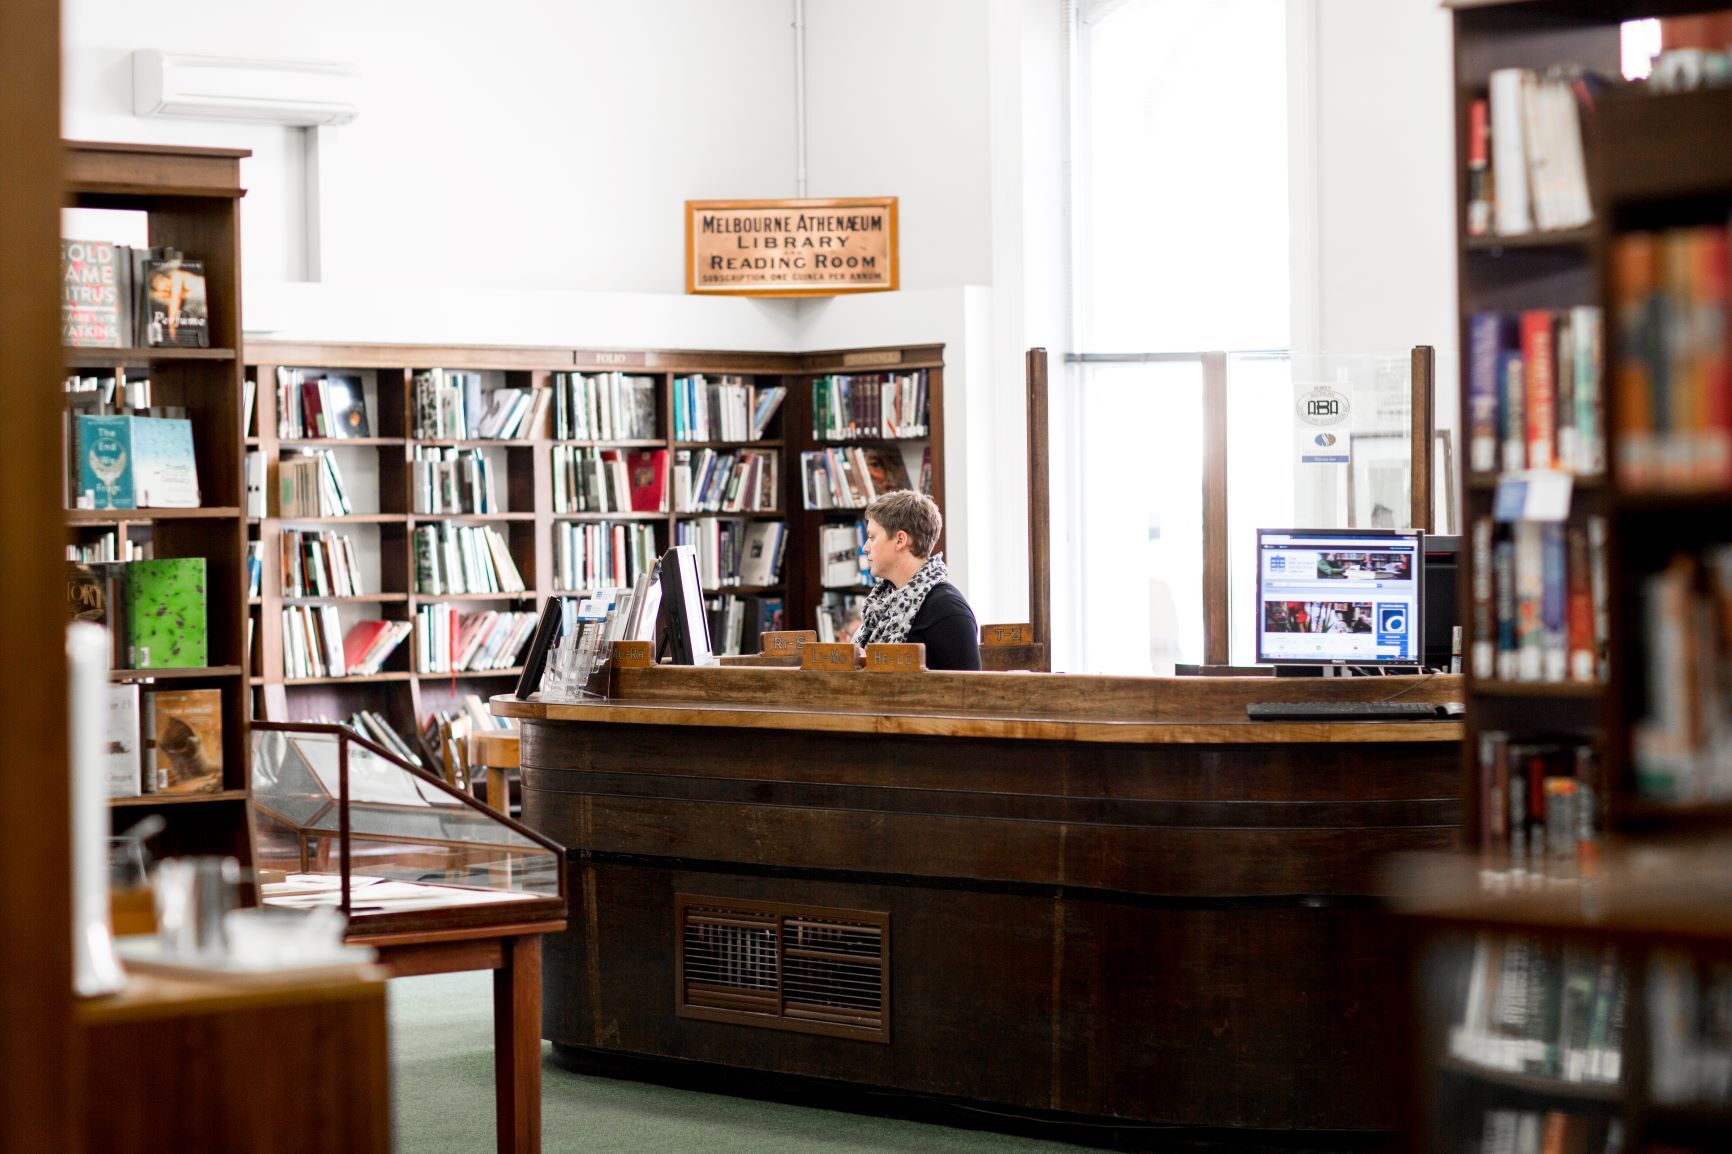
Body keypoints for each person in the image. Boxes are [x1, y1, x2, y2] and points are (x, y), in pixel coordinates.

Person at [855, 490, 980, 671]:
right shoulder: (881, 602)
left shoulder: (948, 610)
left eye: (872, 537)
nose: (865, 547)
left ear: (900, 540)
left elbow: (968, 686)